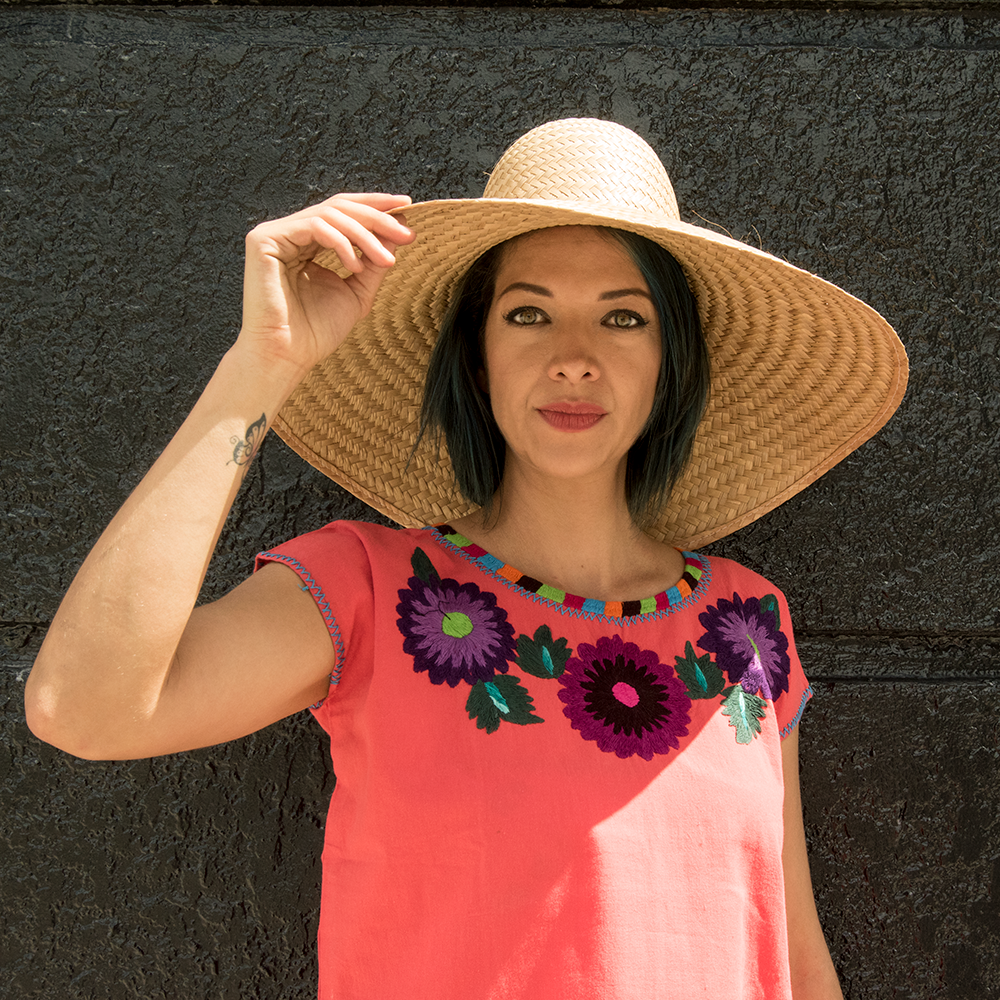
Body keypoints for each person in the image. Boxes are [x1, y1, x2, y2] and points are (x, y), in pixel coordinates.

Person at [25, 119, 907, 998]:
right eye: (528, 313)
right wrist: (261, 366)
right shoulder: (366, 588)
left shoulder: (749, 623)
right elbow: (84, 709)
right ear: (476, 359)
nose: (574, 359)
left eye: (624, 318)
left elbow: (788, 949)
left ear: (669, 364)